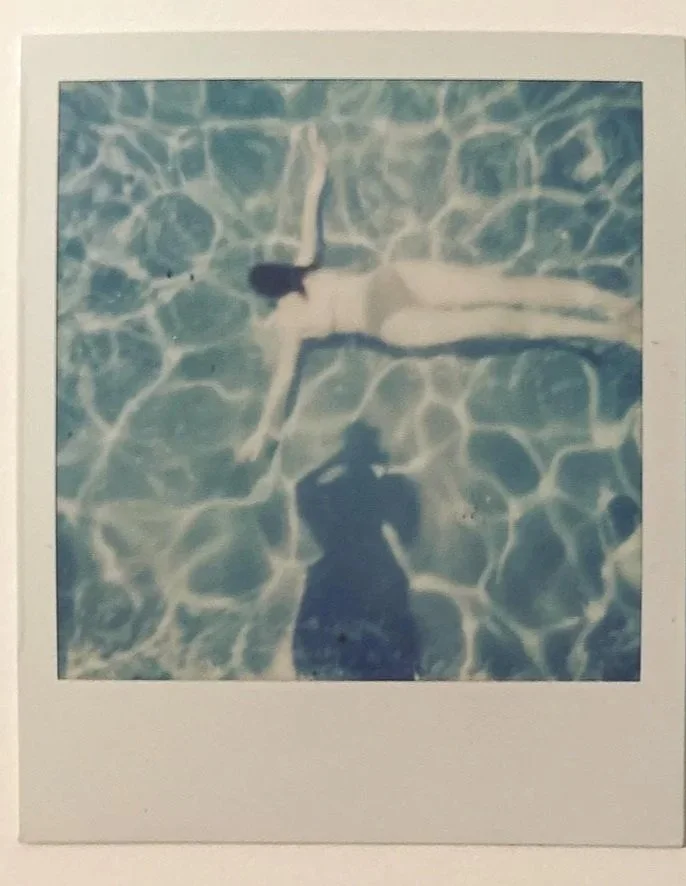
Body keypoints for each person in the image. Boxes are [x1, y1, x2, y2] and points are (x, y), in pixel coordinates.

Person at [239, 124, 641, 462]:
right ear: (278, 271)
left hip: (389, 319)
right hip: (393, 282)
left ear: (267, 297)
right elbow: (311, 203)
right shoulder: (304, 266)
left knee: (502, 320)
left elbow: (282, 381)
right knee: (507, 292)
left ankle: (615, 330)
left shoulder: (290, 321)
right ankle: (615, 306)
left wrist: (262, 432)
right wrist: (318, 160)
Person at [292, 422, 421, 680]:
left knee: (327, 648)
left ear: (347, 454)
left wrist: (334, 461)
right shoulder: (389, 487)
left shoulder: (333, 490)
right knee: (392, 643)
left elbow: (302, 490)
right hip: (377, 563)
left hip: (336, 564)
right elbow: (409, 535)